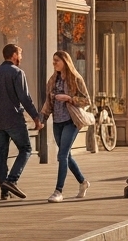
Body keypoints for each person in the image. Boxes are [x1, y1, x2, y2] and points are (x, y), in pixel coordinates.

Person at [0, 43, 43, 200]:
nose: (21, 57)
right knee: (26, 149)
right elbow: (24, 97)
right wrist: (36, 117)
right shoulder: (17, 73)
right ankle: (12, 180)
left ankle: (4, 191)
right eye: (20, 54)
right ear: (14, 55)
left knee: (1, 155)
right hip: (13, 119)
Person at [40, 50, 92, 202]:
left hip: (71, 121)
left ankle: (58, 191)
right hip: (57, 122)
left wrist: (69, 98)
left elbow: (87, 100)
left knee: (62, 155)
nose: (54, 63)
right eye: (53, 60)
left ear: (65, 61)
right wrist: (42, 118)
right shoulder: (52, 80)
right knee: (67, 155)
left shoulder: (75, 78)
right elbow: (48, 102)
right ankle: (83, 182)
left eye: (57, 60)